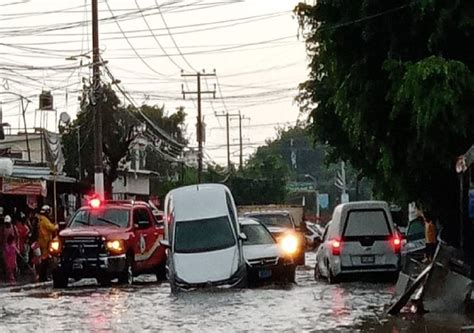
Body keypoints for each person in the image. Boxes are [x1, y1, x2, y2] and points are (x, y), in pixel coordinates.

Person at [37, 205, 58, 282]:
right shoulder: (44, 220)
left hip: (43, 241)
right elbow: (51, 227)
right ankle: (43, 277)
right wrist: (56, 226)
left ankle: (43, 276)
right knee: (45, 260)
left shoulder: (41, 219)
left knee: (45, 259)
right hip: (45, 242)